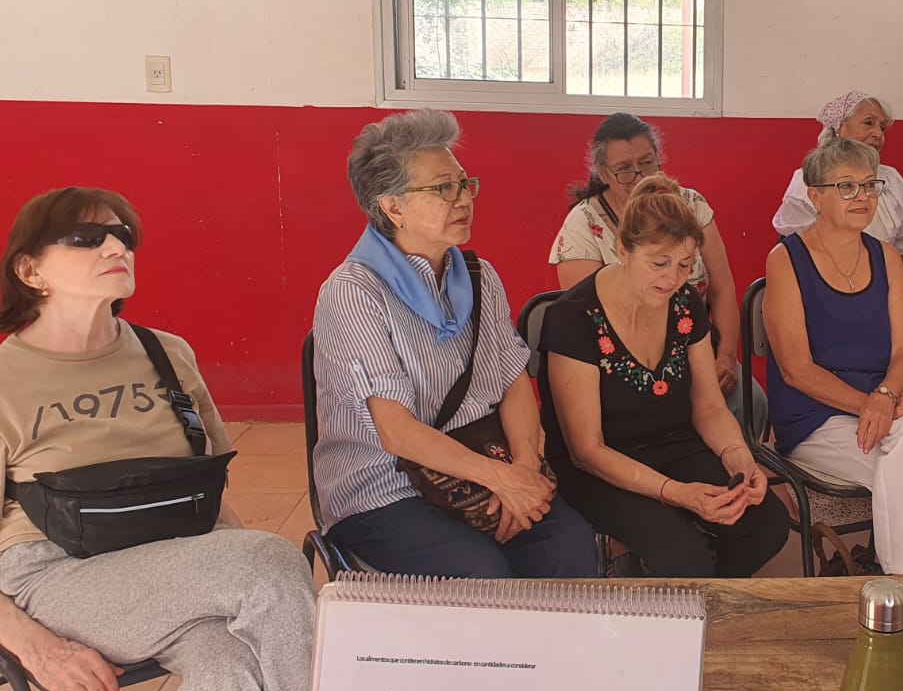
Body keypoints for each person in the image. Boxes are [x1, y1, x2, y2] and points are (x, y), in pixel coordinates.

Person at [0, 188, 313, 691]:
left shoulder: (167, 354)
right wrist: (38, 648)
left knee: (225, 669)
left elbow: (208, 487)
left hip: (172, 561)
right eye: (87, 238)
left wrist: (230, 573)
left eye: (123, 235)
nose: (115, 246)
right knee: (270, 560)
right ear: (30, 270)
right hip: (56, 577)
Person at [313, 108, 598, 578]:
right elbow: (396, 433)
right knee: (479, 574)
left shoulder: (479, 277)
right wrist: (502, 480)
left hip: (483, 463)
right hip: (387, 487)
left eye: (464, 184)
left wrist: (525, 469)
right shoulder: (354, 292)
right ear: (393, 208)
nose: (463, 199)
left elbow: (513, 382)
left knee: (569, 546)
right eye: (442, 188)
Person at [539, 176, 790, 576]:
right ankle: (682, 598)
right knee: (682, 553)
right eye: (659, 263)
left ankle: (699, 600)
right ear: (623, 250)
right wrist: (678, 494)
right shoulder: (574, 317)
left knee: (765, 526)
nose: (672, 279)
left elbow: (709, 407)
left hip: (674, 444)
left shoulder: (685, 303)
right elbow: (587, 449)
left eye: (685, 265)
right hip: (601, 464)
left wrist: (740, 458)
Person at [763, 138, 903, 575]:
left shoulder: (886, 256)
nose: (862, 196)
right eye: (846, 186)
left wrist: (886, 395)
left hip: (882, 404)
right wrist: (872, 403)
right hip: (814, 417)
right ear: (814, 196)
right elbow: (796, 371)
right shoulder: (786, 260)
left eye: (870, 185)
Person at [551, 112, 766, 435]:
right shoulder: (583, 226)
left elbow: (721, 289)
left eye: (647, 163)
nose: (638, 176)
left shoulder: (690, 205)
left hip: (696, 348)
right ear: (604, 174)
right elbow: (588, 322)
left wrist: (723, 357)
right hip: (622, 366)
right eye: (624, 169)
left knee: (751, 402)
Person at [773, 91, 903, 269]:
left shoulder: (892, 180)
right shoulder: (808, 181)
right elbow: (797, 256)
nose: (878, 133)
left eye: (882, 127)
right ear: (840, 127)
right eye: (869, 123)